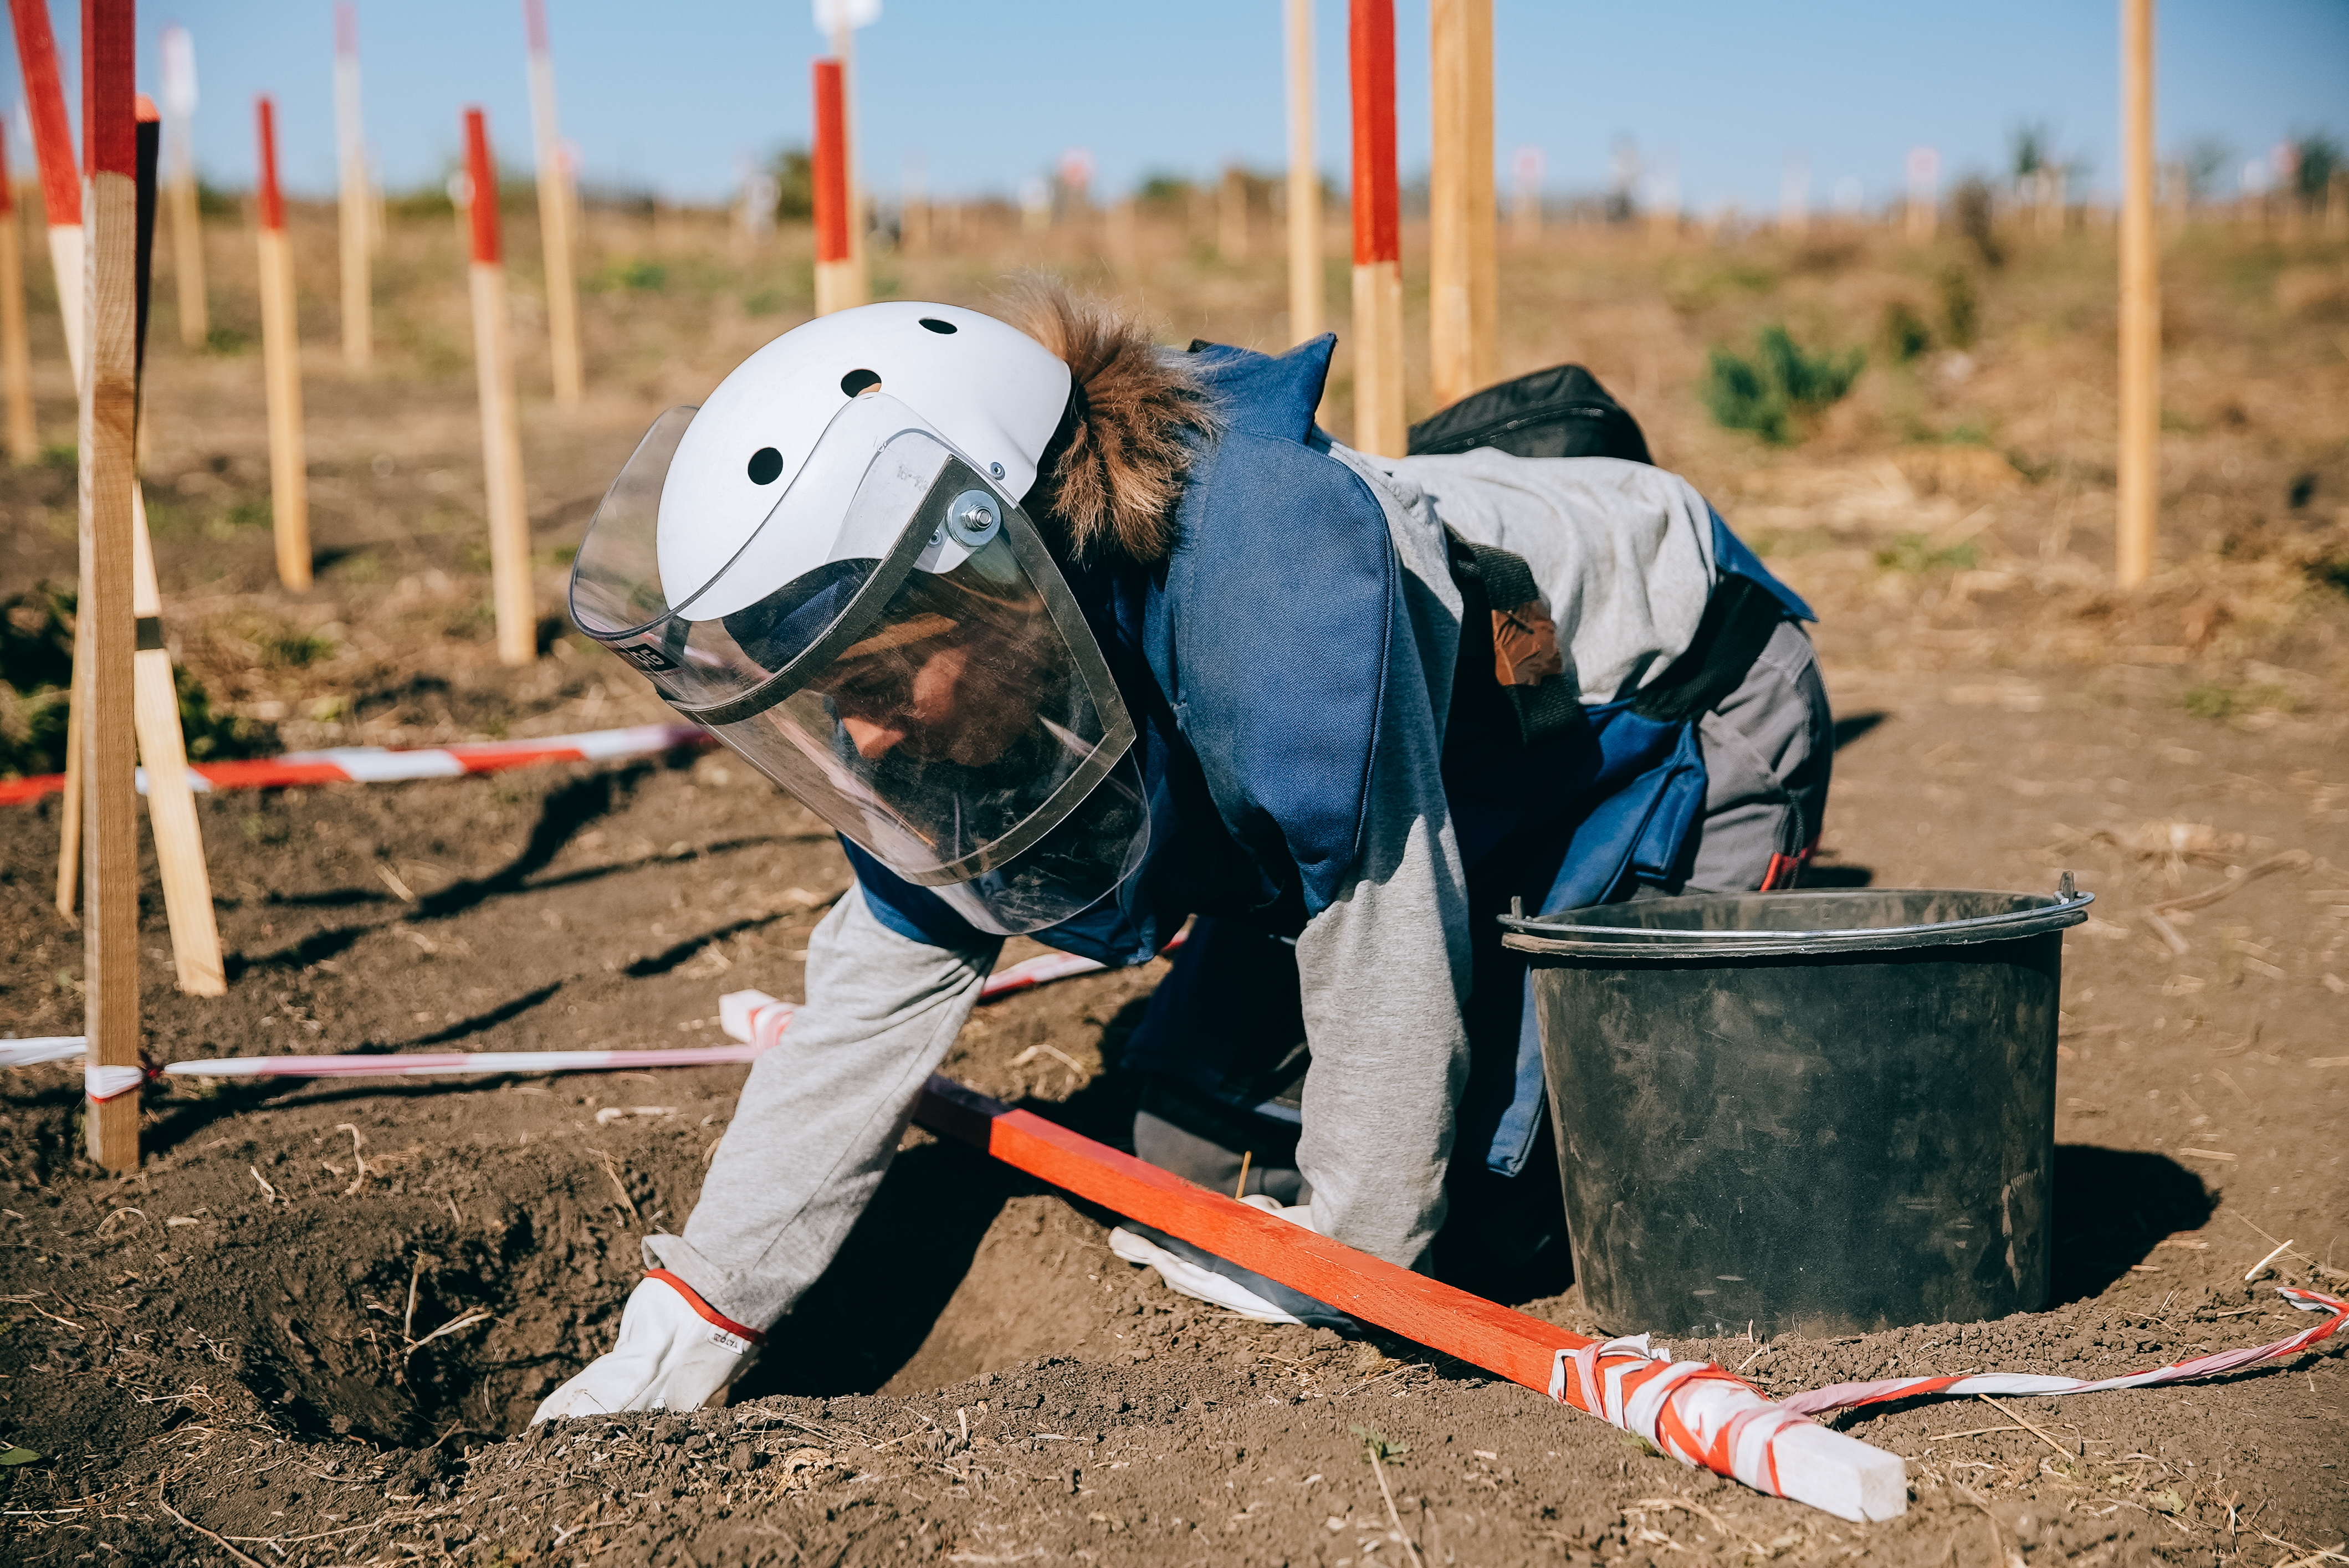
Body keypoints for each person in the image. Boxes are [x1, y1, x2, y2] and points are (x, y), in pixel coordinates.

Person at [538, 285, 1831, 1418]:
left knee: (1515, 1212)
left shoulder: (1268, 597)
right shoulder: (995, 649)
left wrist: (1347, 1253)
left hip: (1669, 707)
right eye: (828, 698)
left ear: (995, 581)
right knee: (1184, 1160)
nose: (861, 741)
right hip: (1419, 785)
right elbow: (873, 990)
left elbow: (1382, 926)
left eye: (877, 680)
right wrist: (703, 1304)